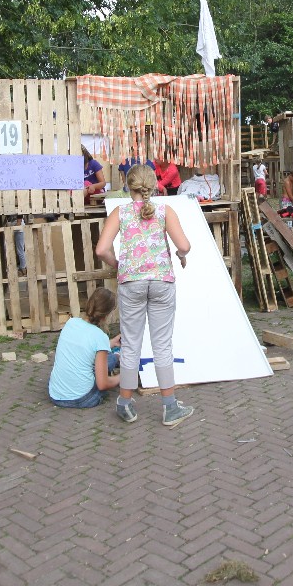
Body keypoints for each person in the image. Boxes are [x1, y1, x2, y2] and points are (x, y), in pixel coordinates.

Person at [95, 164, 194, 427]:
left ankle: (125, 404)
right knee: (162, 345)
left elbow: (101, 249)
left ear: (129, 186)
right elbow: (184, 245)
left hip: (131, 283)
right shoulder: (164, 211)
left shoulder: (120, 212)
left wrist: (118, 264)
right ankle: (170, 407)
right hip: (162, 281)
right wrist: (180, 256)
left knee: (130, 345)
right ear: (153, 185)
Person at [48, 287, 122, 408]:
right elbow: (103, 384)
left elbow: (85, 346)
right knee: (111, 359)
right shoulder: (100, 336)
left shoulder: (71, 323)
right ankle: (118, 358)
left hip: (55, 394)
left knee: (110, 358)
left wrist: (112, 342)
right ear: (107, 314)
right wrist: (123, 377)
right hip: (82, 399)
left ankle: (116, 358)